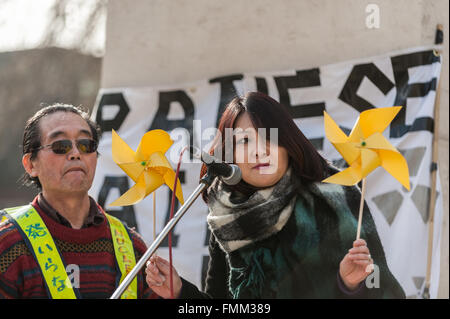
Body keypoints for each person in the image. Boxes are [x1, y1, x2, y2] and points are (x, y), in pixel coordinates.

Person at [145, 91, 406, 299]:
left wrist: (349, 285)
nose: (258, 152)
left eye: (266, 138)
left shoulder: (336, 198)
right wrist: (180, 292)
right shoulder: (226, 215)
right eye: (244, 141)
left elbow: (385, 289)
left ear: (288, 144)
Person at [0, 104, 156, 299]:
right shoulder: (7, 245)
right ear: (31, 164)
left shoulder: (133, 247)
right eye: (60, 146)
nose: (75, 153)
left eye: (85, 145)